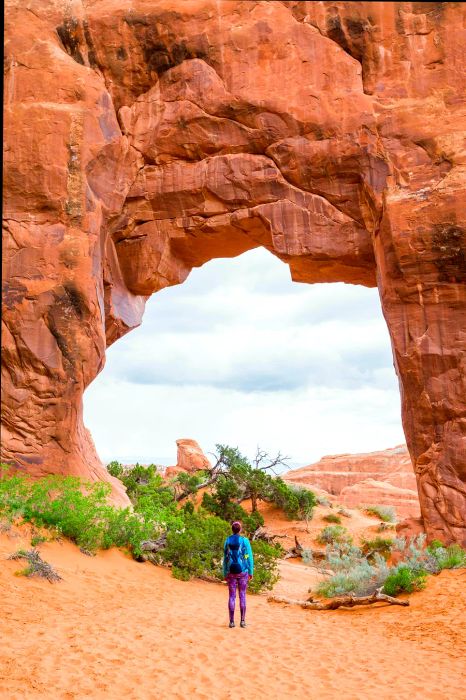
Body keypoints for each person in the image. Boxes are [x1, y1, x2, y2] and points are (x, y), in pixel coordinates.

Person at [223, 521, 254, 628]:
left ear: (232, 529)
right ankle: (242, 621)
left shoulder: (227, 540)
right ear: (240, 530)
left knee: (232, 597)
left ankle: (231, 622)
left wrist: (225, 572)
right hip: (243, 572)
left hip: (231, 572)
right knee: (242, 595)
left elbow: (225, 558)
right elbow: (248, 556)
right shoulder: (244, 541)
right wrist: (250, 571)